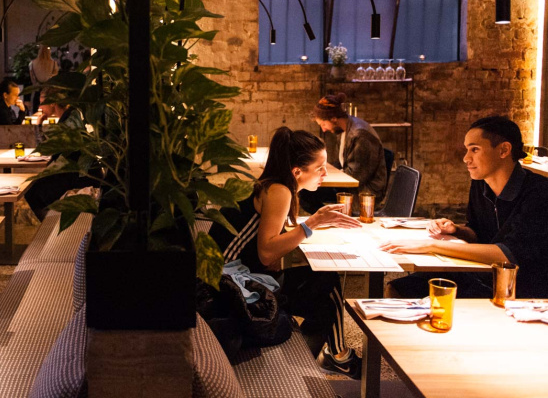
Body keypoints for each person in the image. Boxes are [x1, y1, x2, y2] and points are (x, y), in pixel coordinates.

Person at [210, 127, 364, 378]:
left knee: (324, 285)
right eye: (320, 168)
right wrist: (312, 223)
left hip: (238, 276)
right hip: (228, 286)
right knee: (325, 285)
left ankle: (333, 357)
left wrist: (308, 228)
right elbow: (266, 253)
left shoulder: (276, 186)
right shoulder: (279, 191)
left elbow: (266, 248)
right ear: (297, 172)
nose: (325, 173)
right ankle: (332, 358)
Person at [382, 116, 548, 299]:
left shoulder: (539, 192)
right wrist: (457, 230)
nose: (466, 158)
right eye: (467, 150)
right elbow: (477, 232)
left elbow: (508, 255)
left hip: (517, 289)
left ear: (504, 150)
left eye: (474, 149)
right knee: (397, 289)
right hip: (479, 274)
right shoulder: (480, 183)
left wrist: (431, 245)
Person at [300, 92, 387, 214]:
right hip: (354, 186)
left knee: (306, 194)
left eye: (323, 124)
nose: (323, 129)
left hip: (365, 192)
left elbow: (356, 177)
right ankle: (329, 216)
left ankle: (330, 217)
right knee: (306, 190)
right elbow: (342, 164)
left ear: (334, 118)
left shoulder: (360, 136)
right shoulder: (344, 129)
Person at [24, 87, 93, 220]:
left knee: (33, 193)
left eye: (42, 103)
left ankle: (54, 225)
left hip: (78, 175)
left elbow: (48, 151)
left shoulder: (69, 120)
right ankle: (54, 224)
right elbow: (50, 150)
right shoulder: (70, 116)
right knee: (34, 190)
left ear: (52, 103)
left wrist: (38, 127)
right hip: (74, 171)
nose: (40, 108)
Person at [29, 45, 59, 111]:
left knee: (36, 111)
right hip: (49, 92)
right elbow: (55, 78)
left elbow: (33, 80)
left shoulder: (32, 63)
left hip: (37, 91)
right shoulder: (54, 63)